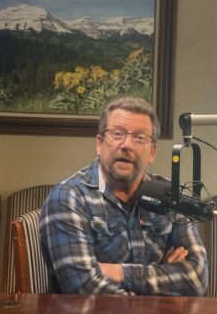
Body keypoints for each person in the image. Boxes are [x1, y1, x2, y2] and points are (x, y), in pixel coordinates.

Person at [39, 97, 208, 295]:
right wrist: (164, 275)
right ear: (99, 144)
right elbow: (85, 289)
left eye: (139, 138)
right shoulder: (69, 198)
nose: (127, 145)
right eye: (117, 134)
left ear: (152, 152)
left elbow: (196, 278)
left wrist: (118, 272)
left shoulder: (171, 195)